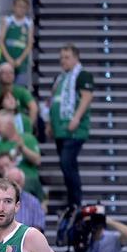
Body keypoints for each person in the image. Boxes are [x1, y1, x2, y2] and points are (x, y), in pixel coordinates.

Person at [47, 44, 94, 208]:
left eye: (66, 57)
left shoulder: (83, 75)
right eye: (61, 57)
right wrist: (49, 123)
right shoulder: (59, 78)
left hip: (74, 130)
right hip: (60, 129)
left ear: (76, 58)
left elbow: (87, 98)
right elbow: (52, 101)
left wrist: (76, 118)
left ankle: (76, 202)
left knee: (67, 163)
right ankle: (73, 202)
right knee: (66, 165)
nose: (63, 61)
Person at [0, 111, 43, 201]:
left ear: (9, 125)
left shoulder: (28, 138)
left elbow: (37, 161)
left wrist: (23, 149)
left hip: (29, 183)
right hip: (8, 185)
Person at [0, 62, 37, 138]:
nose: (8, 75)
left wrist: (28, 125)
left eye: (11, 72)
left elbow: (33, 107)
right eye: (5, 73)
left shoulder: (21, 91)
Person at [0, 0, 34, 86]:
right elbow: (1, 41)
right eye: (19, 6)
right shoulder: (7, 20)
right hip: (6, 59)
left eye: (24, 7)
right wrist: (8, 58)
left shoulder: (29, 23)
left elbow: (29, 44)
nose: (21, 9)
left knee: (20, 87)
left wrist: (20, 60)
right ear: (14, 7)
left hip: (21, 62)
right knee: (5, 86)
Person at [4, 167, 45, 232]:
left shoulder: (33, 202)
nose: (16, 185)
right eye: (12, 182)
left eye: (18, 181)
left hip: (27, 240)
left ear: (23, 182)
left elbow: (38, 229)